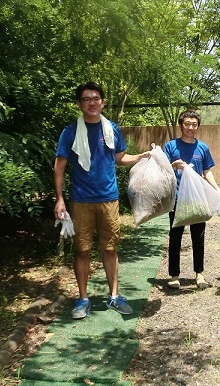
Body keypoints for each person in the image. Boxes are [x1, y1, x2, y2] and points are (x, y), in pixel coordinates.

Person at [54, 81, 151, 320]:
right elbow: (59, 167)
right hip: (80, 200)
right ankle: (83, 299)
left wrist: (142, 156)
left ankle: (115, 296)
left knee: (110, 248)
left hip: (109, 199)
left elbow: (119, 158)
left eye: (95, 98)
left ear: (103, 102)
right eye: (86, 99)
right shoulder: (70, 132)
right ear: (79, 104)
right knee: (82, 250)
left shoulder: (112, 129)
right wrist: (59, 199)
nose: (91, 103)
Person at [163, 109, 220, 290]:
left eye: (194, 124)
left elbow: (207, 172)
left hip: (197, 198)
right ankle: (174, 275)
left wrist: (218, 190)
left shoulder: (202, 148)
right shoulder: (171, 146)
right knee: (175, 237)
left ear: (198, 126)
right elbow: (163, 169)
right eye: (187, 124)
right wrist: (172, 165)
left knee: (199, 237)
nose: (190, 127)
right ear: (181, 125)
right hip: (176, 198)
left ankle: (199, 273)